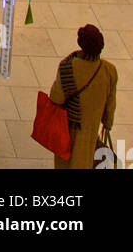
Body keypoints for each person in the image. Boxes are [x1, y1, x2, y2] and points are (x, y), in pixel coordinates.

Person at [48, 25, 117, 171]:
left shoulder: (68, 67)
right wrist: (107, 123)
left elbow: (57, 98)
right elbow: (110, 105)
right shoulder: (109, 70)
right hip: (91, 131)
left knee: (65, 163)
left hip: (68, 129)